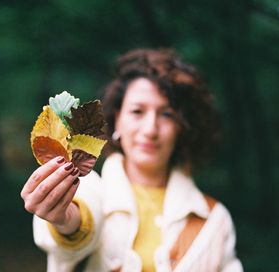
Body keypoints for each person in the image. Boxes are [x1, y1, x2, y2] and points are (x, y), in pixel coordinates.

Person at [21, 48, 243, 272]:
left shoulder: (214, 219)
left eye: (167, 114)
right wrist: (63, 219)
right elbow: (77, 224)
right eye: (137, 111)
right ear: (117, 119)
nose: (150, 129)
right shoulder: (88, 190)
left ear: (182, 127)